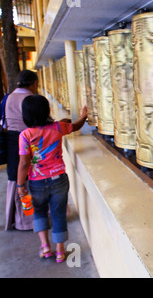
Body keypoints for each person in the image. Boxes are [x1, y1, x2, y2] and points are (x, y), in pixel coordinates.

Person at [16, 94, 87, 262]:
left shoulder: (25, 136)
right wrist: (84, 116)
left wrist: (20, 185)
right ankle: (61, 252)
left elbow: (24, 163)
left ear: (26, 115)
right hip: (59, 179)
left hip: (36, 182)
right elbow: (76, 126)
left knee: (39, 212)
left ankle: (45, 247)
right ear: (47, 111)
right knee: (58, 214)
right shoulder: (58, 127)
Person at [4, 70, 39, 231]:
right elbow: (37, 122)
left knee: (16, 179)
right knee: (28, 178)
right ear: (33, 83)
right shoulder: (29, 99)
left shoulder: (8, 97)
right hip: (28, 141)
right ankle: (29, 221)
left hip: (11, 141)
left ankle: (18, 219)